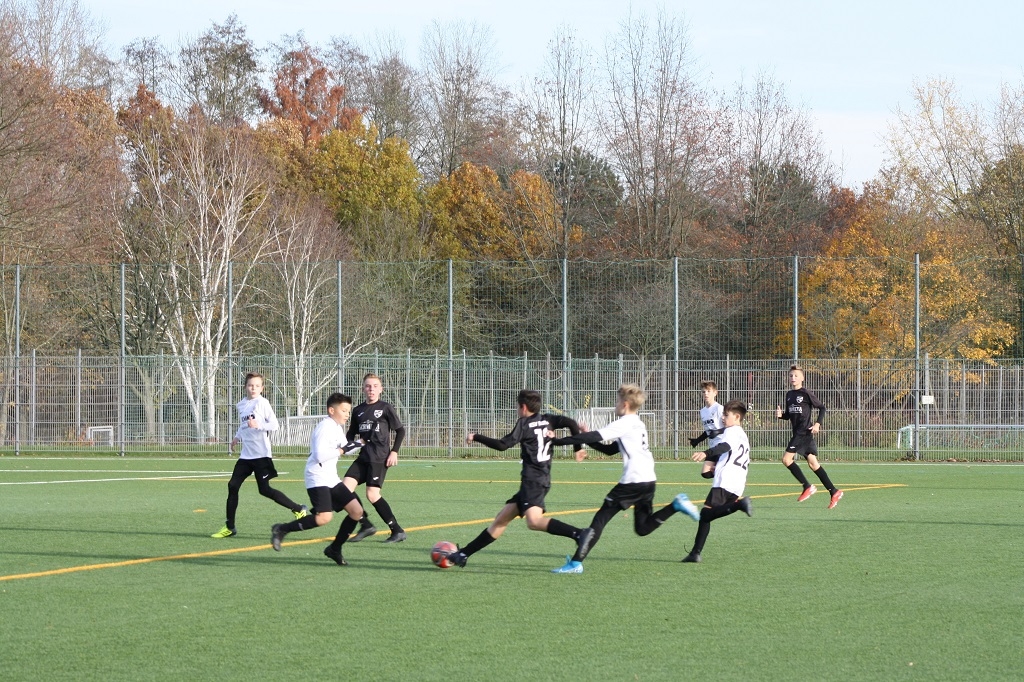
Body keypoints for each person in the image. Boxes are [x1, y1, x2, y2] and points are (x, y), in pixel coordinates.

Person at [546, 383, 701, 574]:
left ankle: (576, 563)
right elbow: (610, 450)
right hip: (648, 480)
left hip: (633, 481)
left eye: (617, 400)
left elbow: (594, 436)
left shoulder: (624, 423)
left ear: (625, 404)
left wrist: (555, 441)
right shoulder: (637, 423)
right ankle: (676, 505)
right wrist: (585, 436)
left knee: (601, 518)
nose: (615, 404)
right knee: (643, 528)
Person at [445, 389, 591, 569]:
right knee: (501, 519)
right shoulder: (548, 419)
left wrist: (476, 437)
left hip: (533, 481)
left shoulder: (524, 424)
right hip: (539, 479)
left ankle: (579, 534)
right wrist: (578, 448)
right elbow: (571, 423)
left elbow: (502, 445)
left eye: (517, 406)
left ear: (523, 407)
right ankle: (463, 554)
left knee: (534, 522)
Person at [270, 393, 366, 566]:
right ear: (331, 410)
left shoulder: (336, 427)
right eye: (344, 410)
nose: (347, 414)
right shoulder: (324, 428)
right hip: (317, 476)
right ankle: (282, 529)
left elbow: (345, 448)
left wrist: (362, 442)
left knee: (356, 511)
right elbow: (320, 455)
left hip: (331, 477)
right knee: (324, 518)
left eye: (348, 411)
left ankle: (334, 549)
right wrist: (343, 450)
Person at [211, 372, 308, 538]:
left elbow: (274, 425)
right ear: (245, 387)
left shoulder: (263, 403)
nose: (253, 388)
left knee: (264, 490)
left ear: (262, 388)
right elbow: (244, 425)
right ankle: (230, 527)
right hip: (246, 456)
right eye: (250, 385)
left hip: (261, 455)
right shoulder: (241, 404)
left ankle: (298, 509)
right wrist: (236, 437)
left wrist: (259, 425)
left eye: (257, 386)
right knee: (232, 486)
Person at [681, 399, 754, 564]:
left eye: (726, 415)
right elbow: (730, 455)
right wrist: (713, 467)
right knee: (708, 515)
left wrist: (706, 453)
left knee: (705, 515)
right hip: (737, 483)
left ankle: (739, 505)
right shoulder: (743, 436)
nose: (723, 418)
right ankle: (695, 553)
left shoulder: (731, 431)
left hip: (725, 480)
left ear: (736, 417)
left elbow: (724, 447)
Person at [343, 373, 408, 543]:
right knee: (344, 489)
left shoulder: (385, 408)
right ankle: (365, 524)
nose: (371, 389)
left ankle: (397, 530)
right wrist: (343, 446)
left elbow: (400, 430)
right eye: (368, 386)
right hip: (363, 457)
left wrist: (394, 452)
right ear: (363, 389)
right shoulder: (358, 410)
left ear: (381, 389)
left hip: (379, 457)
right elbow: (351, 434)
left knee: (372, 494)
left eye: (374, 386)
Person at [775, 365, 843, 509]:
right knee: (813, 463)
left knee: (786, 459)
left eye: (796, 375)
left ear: (802, 378)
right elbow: (790, 415)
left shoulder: (806, 393)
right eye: (791, 375)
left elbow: (822, 408)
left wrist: (818, 424)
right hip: (798, 433)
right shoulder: (789, 395)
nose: (793, 378)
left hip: (804, 432)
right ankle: (834, 491)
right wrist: (781, 416)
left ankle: (807, 486)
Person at [689, 380, 725, 479]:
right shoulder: (703, 411)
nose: (706, 394)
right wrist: (698, 440)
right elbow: (708, 431)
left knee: (720, 473)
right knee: (706, 473)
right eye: (704, 392)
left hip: (722, 445)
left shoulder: (719, 409)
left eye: (709, 391)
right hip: (712, 446)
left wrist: (718, 431)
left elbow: (730, 427)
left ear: (715, 393)